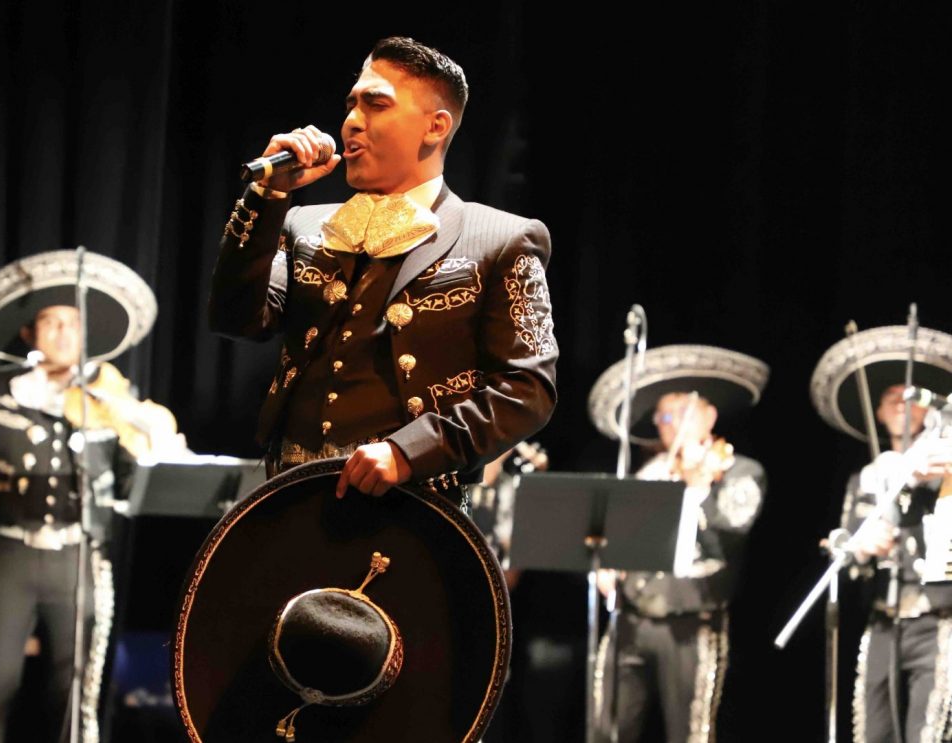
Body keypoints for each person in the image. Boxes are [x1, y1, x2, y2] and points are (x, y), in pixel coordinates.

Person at [208, 35, 557, 497]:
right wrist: (268, 196)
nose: (351, 121)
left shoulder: (501, 238)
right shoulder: (303, 224)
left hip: (416, 509)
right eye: (351, 105)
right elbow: (236, 318)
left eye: (375, 104)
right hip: (291, 498)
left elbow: (527, 391)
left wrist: (409, 452)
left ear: (435, 126)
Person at [0, 249, 170, 743]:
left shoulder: (110, 396)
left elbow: (133, 478)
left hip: (79, 559)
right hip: (11, 554)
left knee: (75, 698)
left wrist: (149, 437)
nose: (65, 333)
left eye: (73, 323)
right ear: (30, 333)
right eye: (52, 323)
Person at [588, 344, 769, 742]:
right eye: (663, 417)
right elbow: (617, 535)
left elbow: (733, 530)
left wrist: (697, 486)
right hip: (631, 617)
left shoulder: (737, 470)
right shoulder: (649, 474)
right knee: (607, 728)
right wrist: (607, 563)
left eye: (681, 413)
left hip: (691, 621)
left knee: (690, 733)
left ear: (709, 416)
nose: (671, 425)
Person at [811, 325, 952, 742]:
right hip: (884, 620)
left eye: (909, 399)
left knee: (928, 732)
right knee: (872, 731)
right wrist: (858, 547)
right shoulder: (866, 479)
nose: (901, 406)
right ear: (878, 413)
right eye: (891, 399)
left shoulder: (943, 466)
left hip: (938, 620)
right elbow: (848, 553)